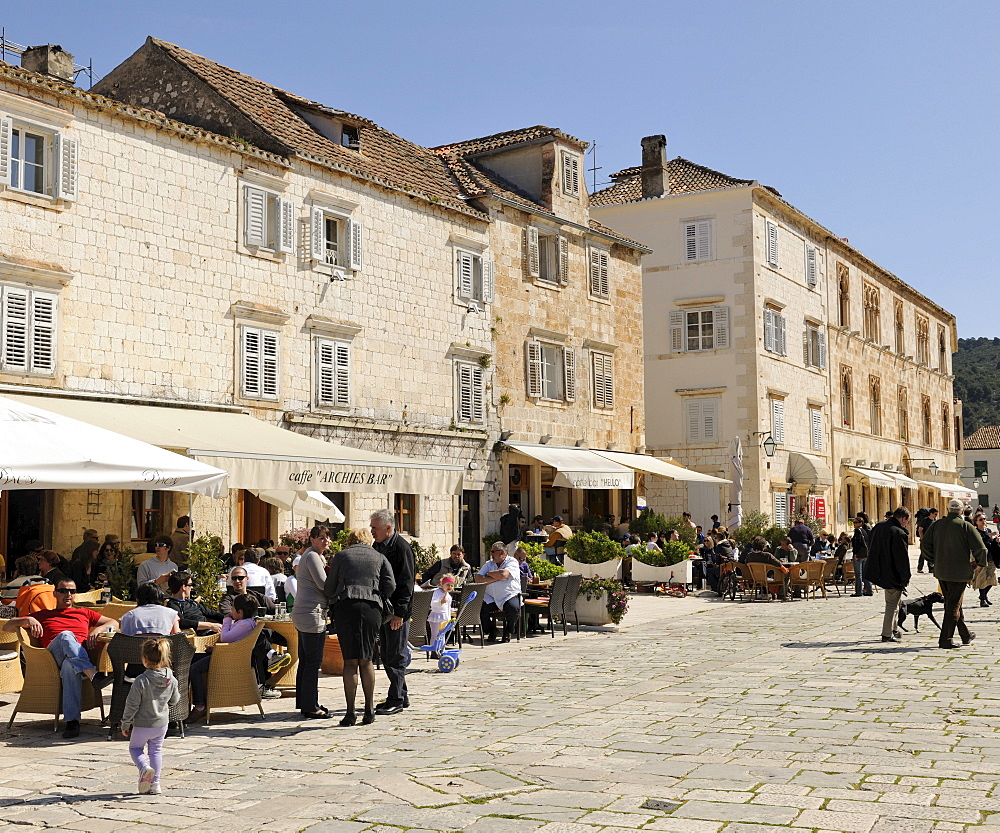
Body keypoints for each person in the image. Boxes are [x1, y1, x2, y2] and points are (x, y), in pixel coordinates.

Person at [3, 578, 118, 738]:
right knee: (65, 636)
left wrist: (98, 629)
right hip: (50, 659)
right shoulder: (43, 615)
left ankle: (72, 723)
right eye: (63, 591)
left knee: (69, 666)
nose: (68, 594)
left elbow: (114, 622)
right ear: (55, 593)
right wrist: (26, 619)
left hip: (74, 660)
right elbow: (6, 627)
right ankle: (93, 675)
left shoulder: (84, 613)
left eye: (72, 591)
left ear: (75, 595)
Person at [324, 528, 395, 727]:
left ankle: (349, 712)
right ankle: (369, 709)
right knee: (366, 660)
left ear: (350, 540)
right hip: (371, 607)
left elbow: (329, 587)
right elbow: (390, 585)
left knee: (349, 661)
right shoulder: (379, 557)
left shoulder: (342, 556)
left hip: (346, 606)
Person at [922, 499, 988, 649]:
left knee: (953, 603)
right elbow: (981, 549)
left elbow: (925, 545)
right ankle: (945, 639)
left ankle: (965, 634)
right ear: (961, 510)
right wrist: (979, 563)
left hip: (941, 572)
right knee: (953, 606)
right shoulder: (965, 526)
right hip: (959, 572)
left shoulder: (937, 525)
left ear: (947, 509)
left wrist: (933, 559)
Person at [121, 637, 181, 795]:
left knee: (135, 748)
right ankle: (156, 784)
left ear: (144, 658)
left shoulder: (141, 681)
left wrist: (125, 723)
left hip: (142, 723)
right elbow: (175, 700)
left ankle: (144, 768)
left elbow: (131, 704)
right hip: (161, 724)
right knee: (156, 751)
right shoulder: (171, 679)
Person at [186, 594, 259, 723]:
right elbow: (233, 643)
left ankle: (200, 705)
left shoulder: (245, 625)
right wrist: (215, 649)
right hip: (224, 655)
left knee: (194, 669)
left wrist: (226, 621)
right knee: (189, 659)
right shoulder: (243, 622)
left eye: (232, 608)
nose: (230, 610)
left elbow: (225, 638)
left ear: (240, 612)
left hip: (227, 660)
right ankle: (185, 702)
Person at [371, 509, 415, 716]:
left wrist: (400, 613)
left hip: (396, 611)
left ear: (388, 528)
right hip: (384, 610)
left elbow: (406, 584)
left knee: (395, 656)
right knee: (387, 654)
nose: (372, 531)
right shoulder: (378, 545)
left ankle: (395, 699)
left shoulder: (401, 548)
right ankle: (401, 694)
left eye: (375, 528)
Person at [291, 526, 333, 719]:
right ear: (313, 539)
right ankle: (310, 706)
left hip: (304, 612)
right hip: (312, 613)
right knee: (312, 662)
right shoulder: (313, 556)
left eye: (328, 538)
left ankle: (305, 701)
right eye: (322, 538)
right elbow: (324, 585)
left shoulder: (311, 555)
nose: (326, 541)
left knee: (306, 659)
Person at [864, 507, 912, 643]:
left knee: (894, 602)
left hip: (878, 570)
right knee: (891, 604)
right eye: (906, 521)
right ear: (903, 518)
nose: (906, 524)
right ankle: (886, 633)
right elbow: (901, 558)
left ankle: (894, 629)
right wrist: (905, 577)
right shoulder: (898, 532)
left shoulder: (879, 526)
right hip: (893, 573)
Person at [477, 541, 522, 643]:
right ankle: (492, 631)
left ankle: (508, 631)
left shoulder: (512, 562)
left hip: (508, 595)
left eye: (493, 551)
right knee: (480, 609)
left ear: (501, 552)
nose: (491, 554)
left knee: (513, 608)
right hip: (491, 597)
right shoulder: (489, 563)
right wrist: (495, 577)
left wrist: (488, 575)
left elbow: (503, 574)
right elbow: (478, 578)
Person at [971, 514, 1000, 607]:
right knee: (982, 580)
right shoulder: (975, 532)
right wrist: (989, 536)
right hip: (981, 559)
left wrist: (995, 541)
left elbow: (990, 544)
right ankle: (983, 599)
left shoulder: (988, 530)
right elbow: (979, 543)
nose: (983, 521)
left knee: (992, 579)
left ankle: (983, 596)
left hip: (991, 558)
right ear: (976, 522)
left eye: (984, 519)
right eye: (980, 519)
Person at [851, 514, 873, 596]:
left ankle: (858, 591)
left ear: (860, 523)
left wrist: (856, 554)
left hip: (859, 555)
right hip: (865, 554)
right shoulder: (865, 530)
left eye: (856, 522)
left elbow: (857, 543)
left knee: (858, 574)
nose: (854, 524)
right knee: (865, 573)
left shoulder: (857, 531)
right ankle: (869, 590)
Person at [915, 508, 938, 572]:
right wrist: (922, 538)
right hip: (925, 540)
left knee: (931, 554)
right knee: (923, 554)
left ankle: (931, 569)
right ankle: (919, 568)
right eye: (935, 514)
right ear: (931, 513)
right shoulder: (924, 520)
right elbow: (920, 530)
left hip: (932, 540)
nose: (936, 515)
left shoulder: (934, 521)